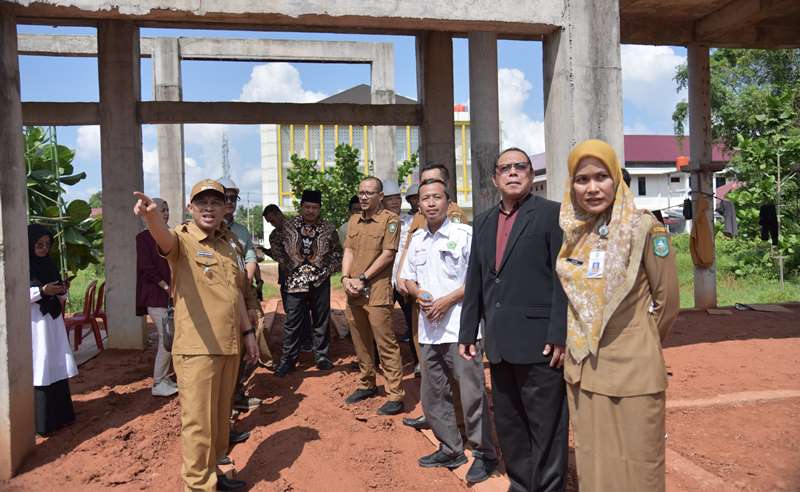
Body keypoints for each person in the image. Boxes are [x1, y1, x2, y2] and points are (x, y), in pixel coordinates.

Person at [555, 139, 679, 492]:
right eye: (582, 180)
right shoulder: (574, 234)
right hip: (585, 371)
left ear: (616, 181)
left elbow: (667, 302)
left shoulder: (644, 229)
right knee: (594, 464)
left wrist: (638, 342)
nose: (592, 188)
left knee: (640, 464)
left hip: (633, 371)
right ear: (571, 185)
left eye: (601, 177)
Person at [133, 179, 259, 492]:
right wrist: (152, 218)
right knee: (198, 423)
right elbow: (163, 240)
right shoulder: (183, 240)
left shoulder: (229, 244)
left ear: (224, 208)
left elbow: (235, 293)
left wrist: (248, 333)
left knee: (218, 421)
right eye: (202, 203)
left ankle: (215, 471)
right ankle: (198, 486)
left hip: (228, 345)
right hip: (198, 348)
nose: (209, 208)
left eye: (216, 202)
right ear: (191, 208)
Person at [459, 147, 569, 492]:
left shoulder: (552, 215)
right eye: (504, 168)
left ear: (531, 174)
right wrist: (467, 331)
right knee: (509, 423)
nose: (512, 172)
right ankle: (522, 484)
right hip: (500, 342)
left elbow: (563, 279)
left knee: (547, 427)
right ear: (495, 179)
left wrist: (560, 333)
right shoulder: (483, 221)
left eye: (520, 166)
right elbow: (475, 279)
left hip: (541, 342)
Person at [400, 178, 498, 483]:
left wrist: (446, 301)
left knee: (471, 394)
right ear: (419, 204)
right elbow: (407, 278)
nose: (430, 203)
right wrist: (419, 294)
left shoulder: (465, 235)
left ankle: (484, 453)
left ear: (448, 202)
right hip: (429, 331)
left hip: (461, 329)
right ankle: (450, 447)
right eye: (424, 198)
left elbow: (479, 279)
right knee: (433, 394)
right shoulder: (416, 239)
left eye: (436, 197)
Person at [399, 164, 467, 430]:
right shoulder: (419, 220)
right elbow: (410, 254)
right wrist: (409, 286)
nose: (428, 200)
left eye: (434, 186)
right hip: (424, 305)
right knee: (431, 371)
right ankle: (437, 419)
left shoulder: (457, 219)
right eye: (423, 188)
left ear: (445, 189)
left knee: (458, 375)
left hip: (453, 312)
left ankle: (462, 427)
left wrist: (445, 300)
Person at [341, 176, 405, 415]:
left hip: (376, 292)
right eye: (361, 192)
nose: (364, 197)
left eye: (369, 193)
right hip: (353, 291)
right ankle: (367, 383)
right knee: (360, 341)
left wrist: (362, 278)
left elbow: (388, 255)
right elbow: (348, 250)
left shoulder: (390, 221)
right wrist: (346, 278)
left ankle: (396, 394)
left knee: (385, 343)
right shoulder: (354, 220)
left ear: (380, 197)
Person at [271, 190, 343, 376]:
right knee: (293, 322)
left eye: (315, 208)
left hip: (320, 282)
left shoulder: (328, 228)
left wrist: (327, 271)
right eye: (307, 207)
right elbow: (275, 241)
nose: (311, 211)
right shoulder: (288, 225)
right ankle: (288, 360)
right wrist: (286, 264)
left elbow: (338, 252)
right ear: (301, 207)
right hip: (295, 282)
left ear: (319, 209)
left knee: (321, 320)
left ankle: (322, 357)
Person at [218, 178, 264, 413]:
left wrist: (248, 296)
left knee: (242, 348)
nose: (229, 203)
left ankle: (235, 394)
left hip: (242, 293)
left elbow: (250, 260)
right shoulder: (201, 230)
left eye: (233, 199)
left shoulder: (241, 231)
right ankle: (222, 404)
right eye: (224, 198)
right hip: (216, 304)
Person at [28, 224, 78, 436]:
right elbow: (17, 293)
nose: (43, 248)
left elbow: (59, 294)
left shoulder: (49, 263)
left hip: (53, 320)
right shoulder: (23, 265)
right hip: (36, 322)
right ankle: (44, 423)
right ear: (29, 244)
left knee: (56, 363)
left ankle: (62, 416)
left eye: (47, 244)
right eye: (39, 244)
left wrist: (61, 289)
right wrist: (41, 290)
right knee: (42, 364)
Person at [135, 198, 178, 397]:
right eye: (162, 210)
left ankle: (165, 378)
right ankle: (159, 382)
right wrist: (167, 287)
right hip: (156, 296)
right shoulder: (143, 238)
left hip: (169, 295)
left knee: (171, 337)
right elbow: (147, 269)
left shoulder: (172, 235)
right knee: (166, 339)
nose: (166, 213)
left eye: (167, 209)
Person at [263, 204, 314, 350]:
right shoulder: (274, 235)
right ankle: (300, 340)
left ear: (278, 213)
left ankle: (306, 340)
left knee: (302, 309)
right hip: (287, 278)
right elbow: (279, 257)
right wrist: (266, 252)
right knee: (291, 310)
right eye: (269, 222)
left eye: (272, 220)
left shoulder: (300, 227)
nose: (271, 224)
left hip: (302, 276)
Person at [385, 181, 415, 361]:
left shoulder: (409, 220)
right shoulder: (379, 222)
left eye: (397, 198)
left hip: (405, 279)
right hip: (385, 280)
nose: (395, 202)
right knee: (381, 322)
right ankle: (377, 360)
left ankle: (418, 360)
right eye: (390, 199)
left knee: (413, 321)